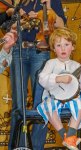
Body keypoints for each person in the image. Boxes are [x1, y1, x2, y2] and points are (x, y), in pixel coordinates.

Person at [7, 0, 66, 150]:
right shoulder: (20, 2)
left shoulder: (52, 1)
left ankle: (36, 147)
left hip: (40, 52)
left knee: (41, 104)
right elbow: (8, 27)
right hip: (18, 51)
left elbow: (61, 25)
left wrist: (49, 8)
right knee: (18, 105)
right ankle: (18, 147)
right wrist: (21, 18)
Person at [37, 27, 81, 150]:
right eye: (58, 45)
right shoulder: (51, 63)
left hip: (72, 98)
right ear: (53, 48)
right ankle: (65, 136)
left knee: (80, 105)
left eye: (66, 44)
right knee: (49, 106)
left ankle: (71, 136)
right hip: (54, 97)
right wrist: (58, 79)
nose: (62, 48)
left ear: (72, 47)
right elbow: (42, 78)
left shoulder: (77, 66)